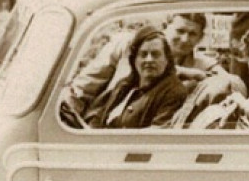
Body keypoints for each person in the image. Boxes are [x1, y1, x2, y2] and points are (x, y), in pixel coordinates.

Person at [61, 12, 221, 120]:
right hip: (107, 125)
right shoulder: (129, 45)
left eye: (192, 34)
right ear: (166, 27)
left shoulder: (202, 64)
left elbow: (229, 81)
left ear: (200, 38)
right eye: (180, 31)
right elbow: (84, 87)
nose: (185, 39)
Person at [82, 27, 188, 129]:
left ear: (167, 60)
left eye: (155, 54)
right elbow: (99, 116)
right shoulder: (124, 85)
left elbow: (157, 134)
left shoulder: (173, 92)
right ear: (134, 60)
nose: (149, 60)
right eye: (143, 54)